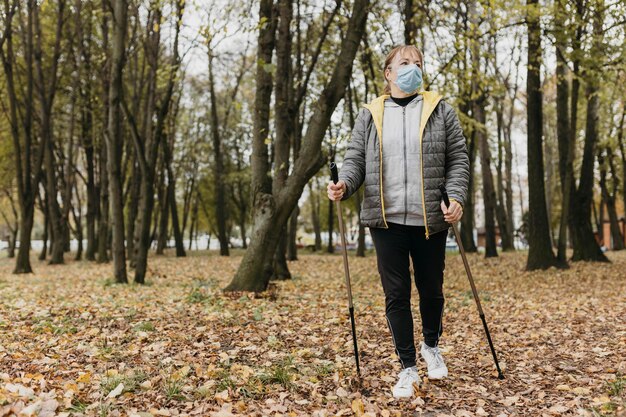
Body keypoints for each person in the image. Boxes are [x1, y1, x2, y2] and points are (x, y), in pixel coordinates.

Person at [327, 45, 469, 399]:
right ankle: (407, 367)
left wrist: (456, 197)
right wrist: (344, 184)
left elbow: (458, 160)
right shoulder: (370, 114)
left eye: (418, 63)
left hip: (429, 219)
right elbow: (355, 159)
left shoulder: (441, 111)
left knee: (432, 291)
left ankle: (431, 345)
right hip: (386, 219)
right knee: (396, 295)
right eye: (404, 63)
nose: (413, 68)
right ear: (388, 73)